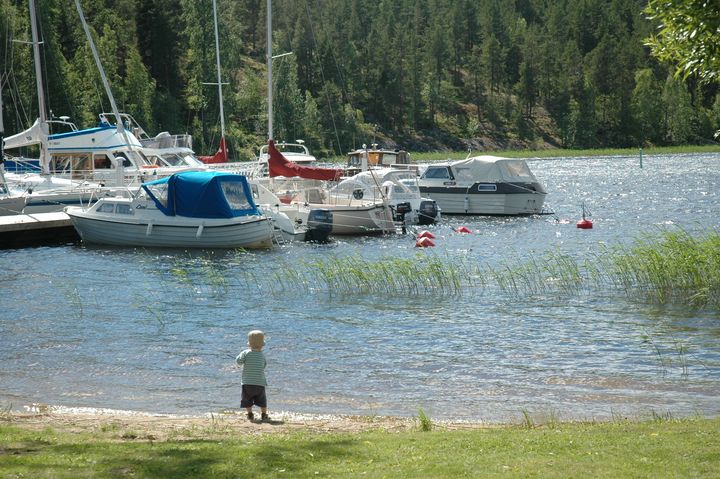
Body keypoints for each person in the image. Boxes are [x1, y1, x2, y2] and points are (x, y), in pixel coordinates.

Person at [236, 330, 269, 422]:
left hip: (247, 382)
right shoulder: (262, 355)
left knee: (247, 399)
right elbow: (264, 365)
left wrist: (239, 357)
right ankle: (264, 414)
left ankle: (250, 414)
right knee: (262, 400)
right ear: (262, 344)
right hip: (260, 383)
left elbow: (239, 362)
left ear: (249, 343)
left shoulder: (246, 352)